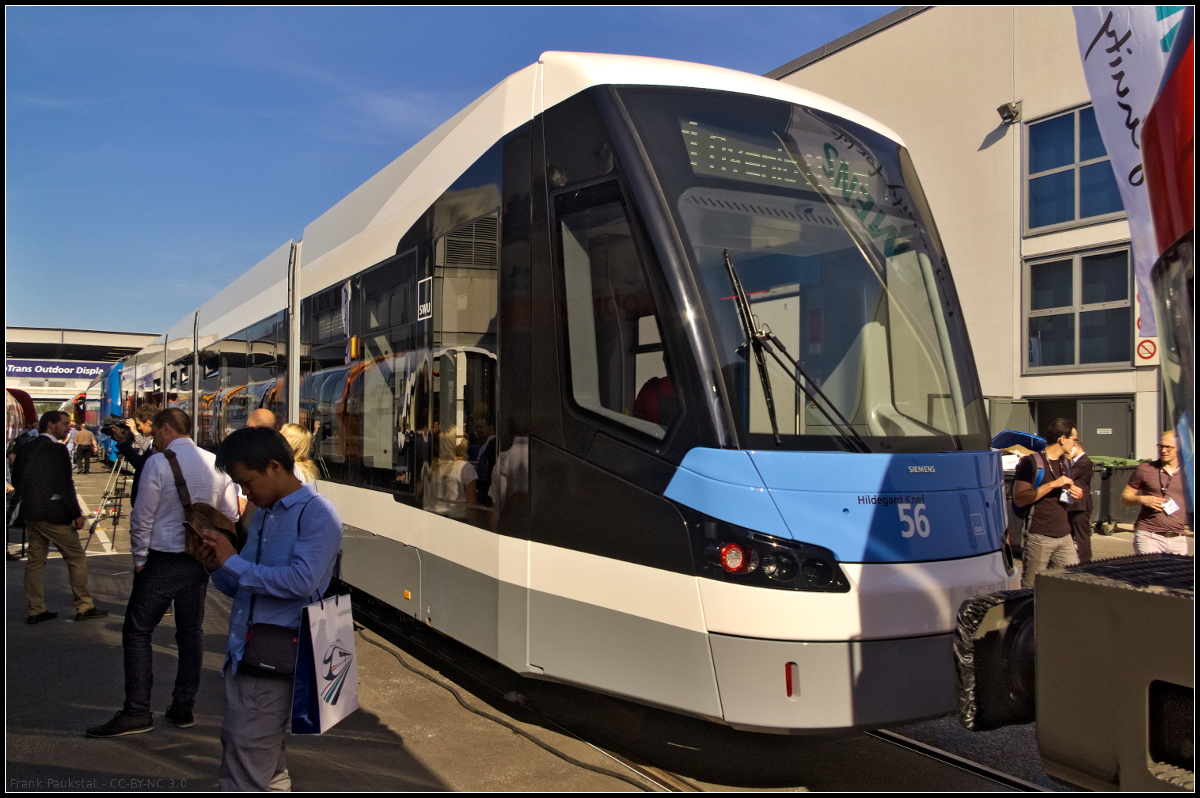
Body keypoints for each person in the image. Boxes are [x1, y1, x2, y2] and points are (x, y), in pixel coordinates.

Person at [201, 426, 343, 791]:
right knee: (260, 758)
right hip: (247, 652)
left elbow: (300, 583)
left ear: (275, 466)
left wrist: (232, 562)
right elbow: (246, 584)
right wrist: (216, 564)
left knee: (245, 762)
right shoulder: (265, 514)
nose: (245, 493)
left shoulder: (317, 514)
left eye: (247, 483)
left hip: (276, 654)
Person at [87, 408, 238, 738]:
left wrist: (139, 560)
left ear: (166, 429)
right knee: (190, 633)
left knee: (137, 631)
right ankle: (183, 707)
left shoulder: (159, 462)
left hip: (163, 558)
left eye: (154, 433)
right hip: (198, 560)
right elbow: (228, 516)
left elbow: (142, 516)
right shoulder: (216, 463)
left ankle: (137, 710)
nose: (153, 439)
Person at [12, 411, 109, 624]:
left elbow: (18, 477)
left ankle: (36, 609)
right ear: (50, 425)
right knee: (75, 557)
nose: (68, 427)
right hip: (52, 513)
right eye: (64, 424)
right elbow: (65, 484)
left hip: (30, 512)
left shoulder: (25, 447)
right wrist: (77, 514)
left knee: (35, 561)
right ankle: (84, 605)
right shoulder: (57, 449)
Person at [1013, 418, 1083, 588]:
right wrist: (1052, 484)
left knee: (1076, 582)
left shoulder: (1065, 463)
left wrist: (1074, 492)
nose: (1075, 444)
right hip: (1040, 536)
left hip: (1064, 535)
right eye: (1074, 439)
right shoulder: (1031, 462)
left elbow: (1064, 494)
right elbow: (1019, 498)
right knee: (1031, 588)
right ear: (1062, 439)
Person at [1122, 430, 1191, 556]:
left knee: (1177, 575)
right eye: (1161, 446)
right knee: (1150, 574)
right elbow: (1125, 497)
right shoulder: (1145, 469)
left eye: (1168, 447)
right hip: (1149, 535)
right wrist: (1142, 499)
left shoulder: (1189, 472)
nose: (1163, 450)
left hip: (1178, 537)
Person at [114, 404, 160, 507]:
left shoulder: (160, 444)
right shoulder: (154, 442)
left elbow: (145, 446)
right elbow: (139, 464)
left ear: (148, 422)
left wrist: (134, 432)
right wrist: (121, 440)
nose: (138, 428)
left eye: (139, 425)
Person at [1067, 436, 1095, 562]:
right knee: (1070, 533)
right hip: (1072, 504)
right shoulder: (1076, 462)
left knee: (1081, 534)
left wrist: (1066, 459)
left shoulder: (1084, 462)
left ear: (1074, 447)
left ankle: (1085, 561)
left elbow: (1069, 475)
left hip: (1081, 505)